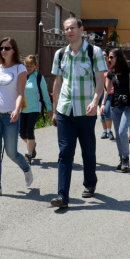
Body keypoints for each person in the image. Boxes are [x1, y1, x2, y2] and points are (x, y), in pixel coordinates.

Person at [49, 17, 108, 209]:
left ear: (81, 29)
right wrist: (55, 110)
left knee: (88, 150)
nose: (69, 31)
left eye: (73, 28)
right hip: (65, 109)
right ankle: (62, 196)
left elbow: (100, 80)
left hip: (86, 110)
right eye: (66, 29)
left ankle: (90, 182)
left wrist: (95, 101)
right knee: (65, 152)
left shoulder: (94, 52)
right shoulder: (60, 54)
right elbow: (58, 82)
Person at [0, 38, 33, 198]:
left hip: (10, 115)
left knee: (12, 152)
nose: (3, 50)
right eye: (1, 48)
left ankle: (26, 168)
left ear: (14, 50)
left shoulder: (20, 68)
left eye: (7, 48)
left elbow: (20, 92)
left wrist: (17, 109)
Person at [101, 49, 130, 173]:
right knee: (118, 135)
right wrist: (102, 103)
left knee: (122, 131)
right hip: (115, 107)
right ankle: (121, 159)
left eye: (111, 57)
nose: (109, 59)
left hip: (128, 106)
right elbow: (106, 90)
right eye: (109, 57)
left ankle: (126, 157)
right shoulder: (111, 73)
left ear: (118, 58)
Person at [20, 54, 51, 164]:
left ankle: (28, 154)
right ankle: (32, 145)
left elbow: (45, 94)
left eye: (31, 66)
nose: (28, 68)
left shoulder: (39, 77)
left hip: (34, 108)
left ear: (35, 66)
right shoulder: (22, 76)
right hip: (22, 108)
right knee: (21, 133)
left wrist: (49, 109)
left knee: (29, 130)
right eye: (27, 66)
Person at [99, 59, 114, 140]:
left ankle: (109, 131)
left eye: (105, 55)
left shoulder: (111, 68)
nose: (103, 57)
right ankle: (104, 131)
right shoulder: (99, 67)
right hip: (100, 92)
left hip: (110, 92)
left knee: (107, 110)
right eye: (102, 56)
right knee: (102, 112)